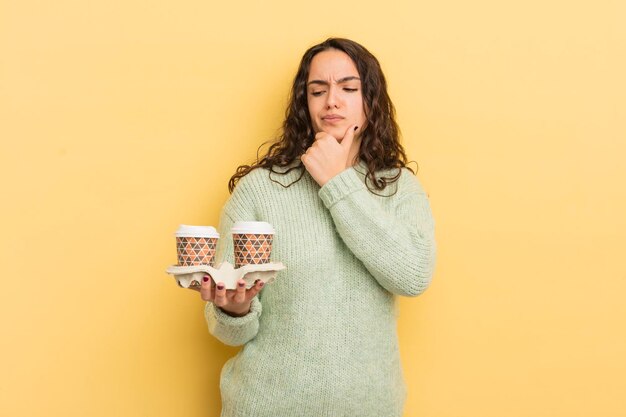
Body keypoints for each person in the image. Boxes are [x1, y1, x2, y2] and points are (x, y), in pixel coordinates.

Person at [195, 37, 436, 417]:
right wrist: (235, 311)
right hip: (265, 406)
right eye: (317, 90)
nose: (332, 101)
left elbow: (412, 276)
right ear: (304, 104)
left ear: (370, 100)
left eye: (349, 88)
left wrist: (338, 182)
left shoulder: (398, 187)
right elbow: (228, 331)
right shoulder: (261, 189)